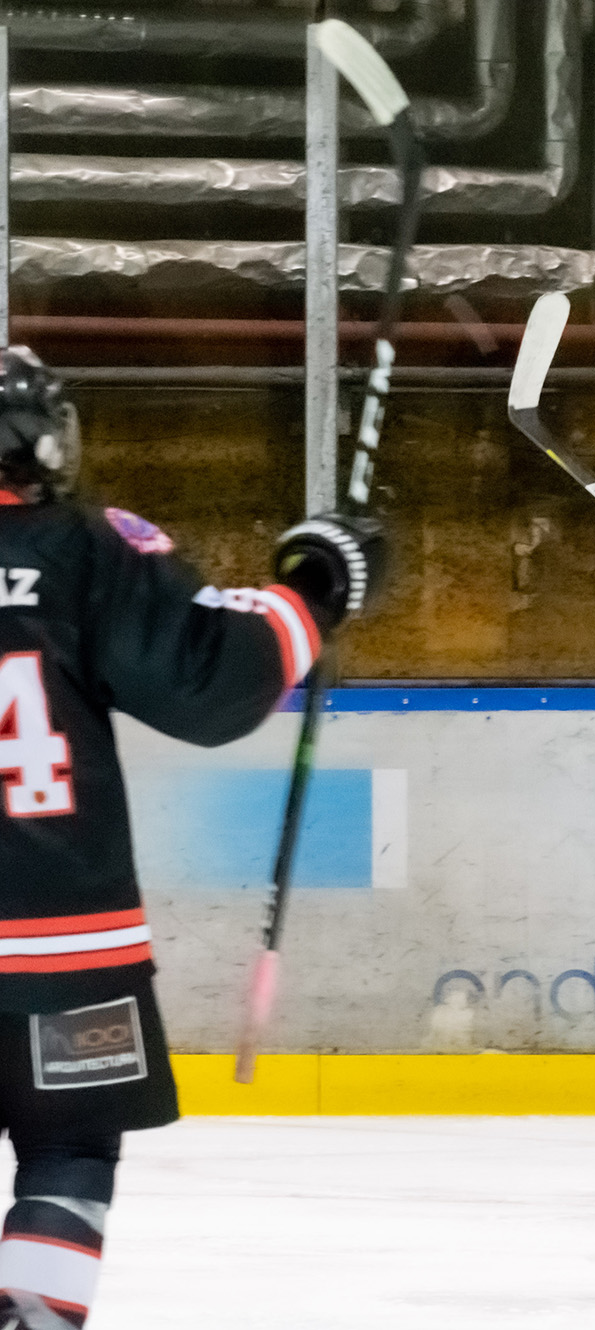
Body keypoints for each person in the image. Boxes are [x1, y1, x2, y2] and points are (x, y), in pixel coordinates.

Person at [0, 346, 381, 1328]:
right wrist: (317, 584)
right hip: (68, 951)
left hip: (70, 946)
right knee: (70, 1144)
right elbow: (211, 682)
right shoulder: (88, 547)